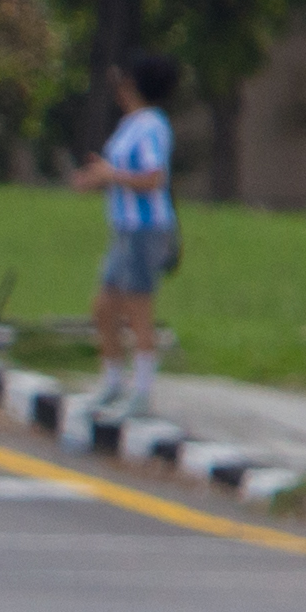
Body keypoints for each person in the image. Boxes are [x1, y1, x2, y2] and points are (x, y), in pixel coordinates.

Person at [67, 48, 183, 424]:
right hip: (124, 227)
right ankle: (113, 381)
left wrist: (110, 176)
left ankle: (142, 392)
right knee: (104, 306)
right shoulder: (131, 124)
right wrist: (98, 177)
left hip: (145, 229)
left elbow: (154, 177)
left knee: (137, 309)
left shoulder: (151, 126)